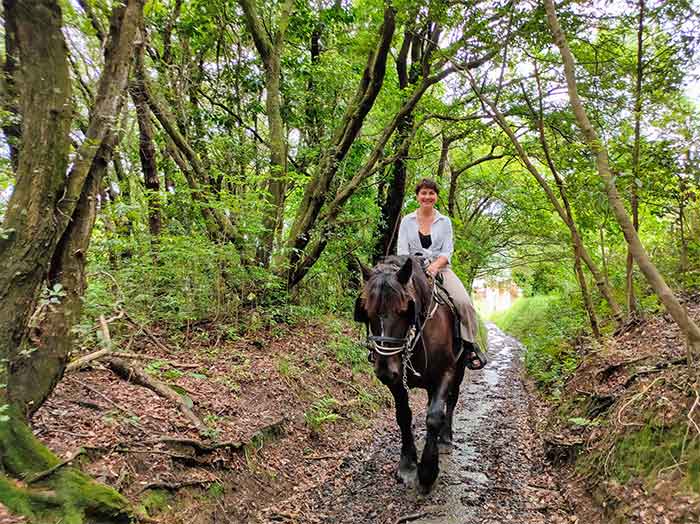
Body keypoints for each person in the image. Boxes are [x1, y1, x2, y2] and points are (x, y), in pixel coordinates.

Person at [397, 178, 486, 370]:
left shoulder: (444, 222)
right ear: (417, 196)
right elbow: (402, 251)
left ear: (436, 196)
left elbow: (447, 252)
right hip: (412, 270)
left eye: (431, 193)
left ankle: (470, 345)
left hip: (441, 269)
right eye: (423, 193)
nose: (427, 196)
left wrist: (434, 267)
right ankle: (388, 348)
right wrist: (415, 268)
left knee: (464, 303)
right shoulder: (406, 221)